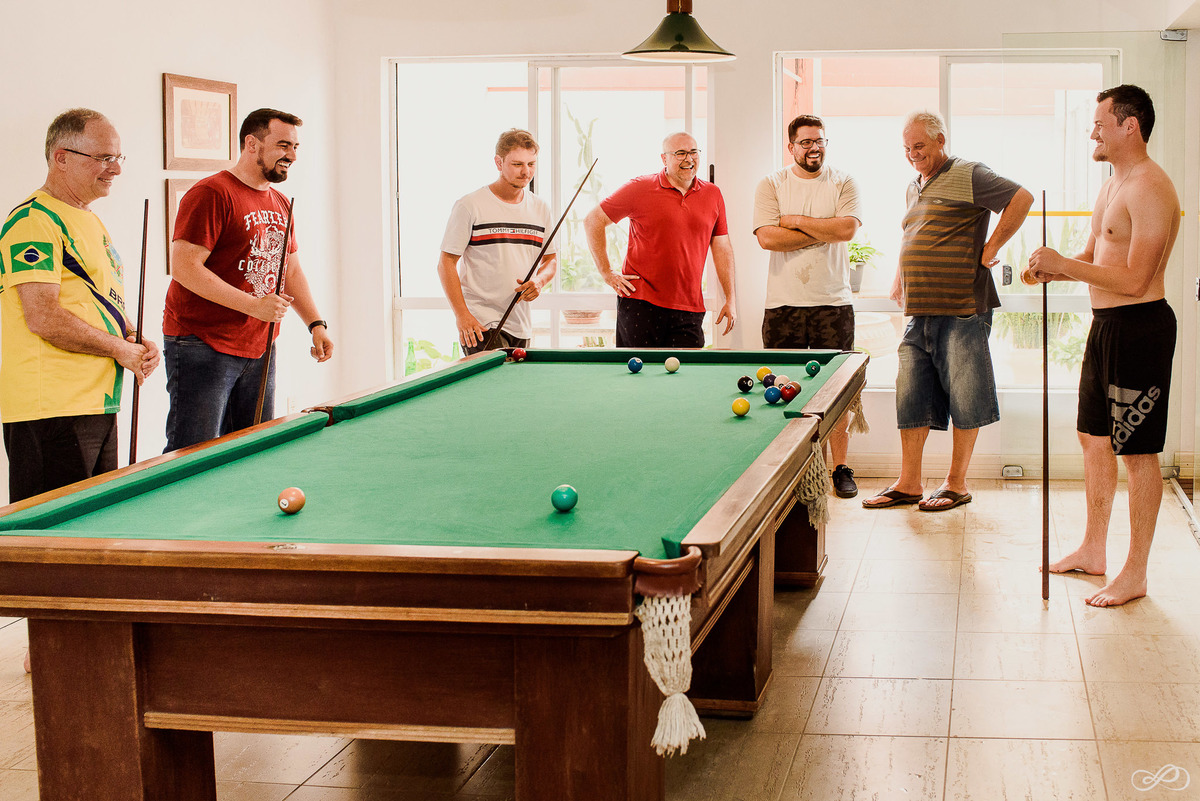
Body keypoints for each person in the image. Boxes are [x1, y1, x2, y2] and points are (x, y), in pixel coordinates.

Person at [1025, 85, 1179, 607]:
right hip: (1106, 325)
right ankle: (1094, 550)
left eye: (1099, 123)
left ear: (1128, 124)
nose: (1092, 132)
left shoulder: (1151, 187)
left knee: (1137, 454)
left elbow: (1135, 279)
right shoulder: (1113, 185)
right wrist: (1049, 268)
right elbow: (1094, 255)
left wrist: (1064, 265)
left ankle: (1134, 573)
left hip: (1141, 329)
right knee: (1093, 438)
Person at [863, 111, 1033, 512]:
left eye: (919, 146)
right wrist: (899, 278)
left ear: (941, 140)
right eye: (906, 148)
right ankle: (908, 484)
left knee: (966, 394)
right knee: (911, 394)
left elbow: (1020, 197)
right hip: (920, 308)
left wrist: (991, 249)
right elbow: (912, 233)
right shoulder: (913, 185)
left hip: (962, 308)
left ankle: (956, 483)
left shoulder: (970, 173)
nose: (912, 154)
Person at [0, 108, 159, 504]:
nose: (115, 169)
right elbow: (44, 316)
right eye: (104, 158)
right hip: (52, 407)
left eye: (118, 157)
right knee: (55, 547)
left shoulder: (88, 219)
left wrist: (133, 336)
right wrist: (121, 350)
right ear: (62, 157)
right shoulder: (33, 221)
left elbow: (95, 300)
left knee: (96, 529)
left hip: (97, 400)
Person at [163, 108, 333, 453]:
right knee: (194, 453)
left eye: (296, 147)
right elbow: (185, 267)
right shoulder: (211, 193)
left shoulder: (281, 201)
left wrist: (315, 323)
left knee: (252, 450)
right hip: (202, 343)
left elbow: (291, 270)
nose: (292, 155)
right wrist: (254, 305)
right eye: (283, 145)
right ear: (251, 144)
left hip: (258, 344)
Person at [753, 114, 863, 498]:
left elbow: (846, 229)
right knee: (782, 387)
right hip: (782, 306)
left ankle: (840, 468)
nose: (814, 148)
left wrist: (796, 222)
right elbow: (767, 238)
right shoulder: (772, 184)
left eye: (819, 141)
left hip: (833, 303)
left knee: (839, 390)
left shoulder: (843, 181)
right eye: (805, 142)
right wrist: (822, 229)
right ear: (791, 146)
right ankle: (788, 472)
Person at [584, 132, 736, 347]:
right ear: (664, 159)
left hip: (689, 308)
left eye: (693, 152)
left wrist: (730, 298)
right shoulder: (640, 187)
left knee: (686, 378)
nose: (689, 159)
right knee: (637, 378)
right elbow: (593, 221)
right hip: (640, 304)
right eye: (680, 153)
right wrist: (607, 273)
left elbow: (722, 247)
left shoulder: (713, 194)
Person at [437, 129, 557, 353]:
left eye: (531, 164)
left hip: (520, 324)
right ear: (498, 162)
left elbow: (551, 259)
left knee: (514, 388)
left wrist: (539, 281)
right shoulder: (470, 205)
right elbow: (446, 263)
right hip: (480, 322)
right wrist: (462, 315)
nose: (526, 172)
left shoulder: (541, 208)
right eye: (517, 164)